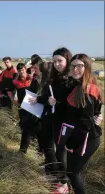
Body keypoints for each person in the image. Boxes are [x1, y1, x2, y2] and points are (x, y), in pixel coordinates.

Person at [29, 47, 73, 193]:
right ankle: (61, 180)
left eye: (60, 61)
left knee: (63, 152)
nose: (57, 64)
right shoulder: (56, 78)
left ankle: (64, 183)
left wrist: (97, 113)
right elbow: (50, 96)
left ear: (68, 60)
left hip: (68, 122)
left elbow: (80, 99)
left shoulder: (72, 79)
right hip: (56, 119)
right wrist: (44, 100)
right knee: (59, 150)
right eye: (54, 61)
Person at [60, 54, 103, 194]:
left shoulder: (88, 89)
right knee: (71, 170)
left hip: (86, 138)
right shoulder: (78, 85)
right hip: (80, 136)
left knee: (73, 171)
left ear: (87, 67)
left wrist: (72, 144)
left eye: (80, 66)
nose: (75, 69)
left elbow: (85, 123)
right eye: (73, 66)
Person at [12, 63, 41, 154]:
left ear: (25, 69)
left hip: (34, 106)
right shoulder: (15, 81)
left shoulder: (32, 79)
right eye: (19, 70)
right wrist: (13, 99)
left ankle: (39, 149)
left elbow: (38, 93)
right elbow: (10, 91)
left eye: (23, 69)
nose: (21, 71)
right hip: (23, 107)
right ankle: (23, 150)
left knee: (36, 128)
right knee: (25, 127)